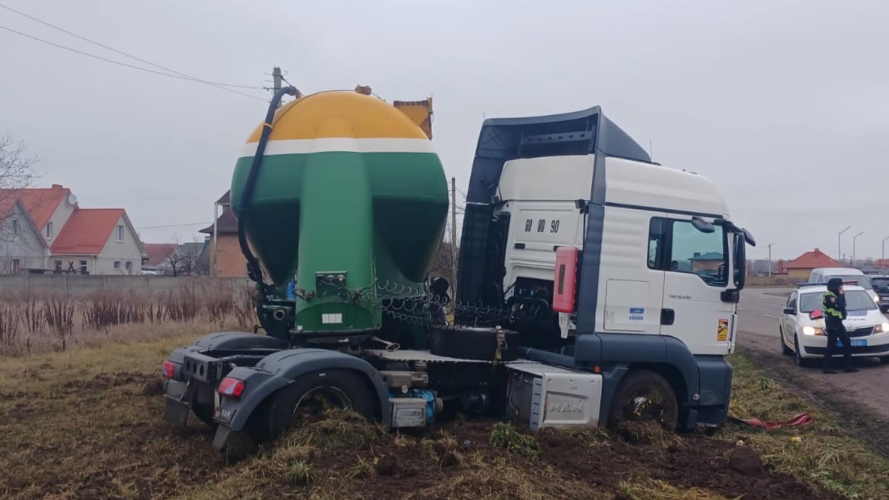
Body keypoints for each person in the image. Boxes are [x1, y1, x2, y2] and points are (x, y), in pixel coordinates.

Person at [822, 278, 859, 374]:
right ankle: (826, 367)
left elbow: (843, 305)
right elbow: (839, 305)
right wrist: (842, 295)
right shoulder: (829, 296)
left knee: (847, 342)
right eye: (840, 286)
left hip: (838, 322)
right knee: (831, 345)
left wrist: (842, 295)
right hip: (832, 322)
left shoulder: (836, 295)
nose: (842, 288)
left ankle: (847, 366)